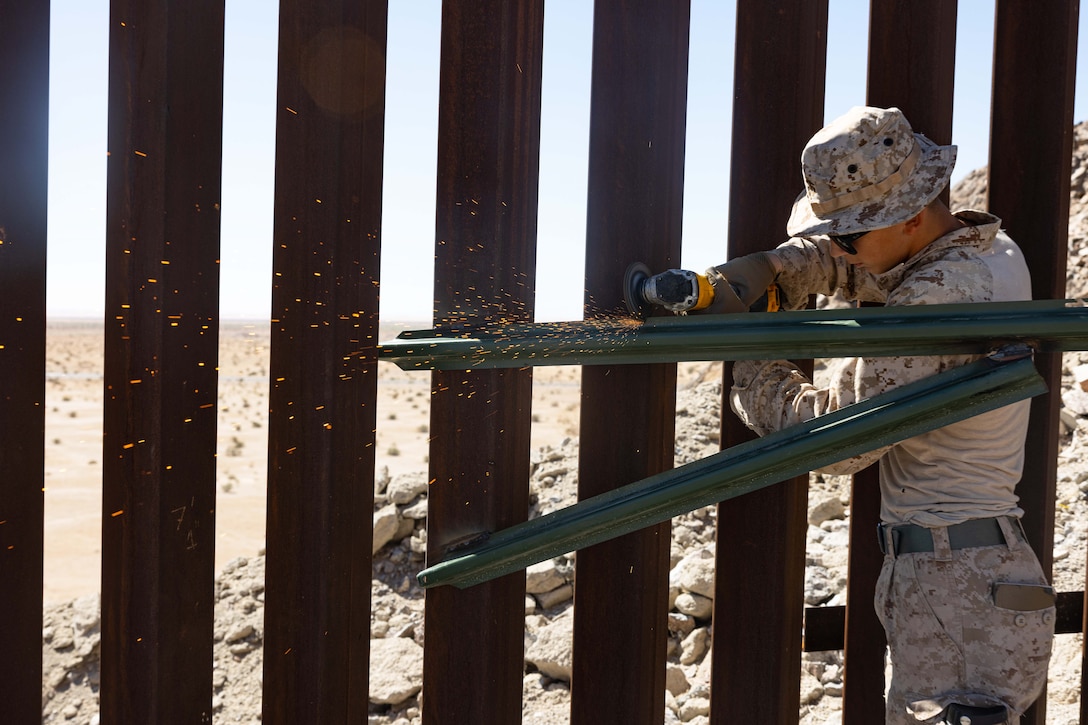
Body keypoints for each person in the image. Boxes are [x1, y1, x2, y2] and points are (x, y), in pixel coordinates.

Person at [681, 106, 1054, 724]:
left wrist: (749, 362)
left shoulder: (936, 300)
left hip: (952, 584)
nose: (841, 252)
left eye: (849, 236)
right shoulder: (986, 253)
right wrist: (776, 270)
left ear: (909, 217)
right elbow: (889, 268)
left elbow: (838, 439)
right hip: (970, 574)